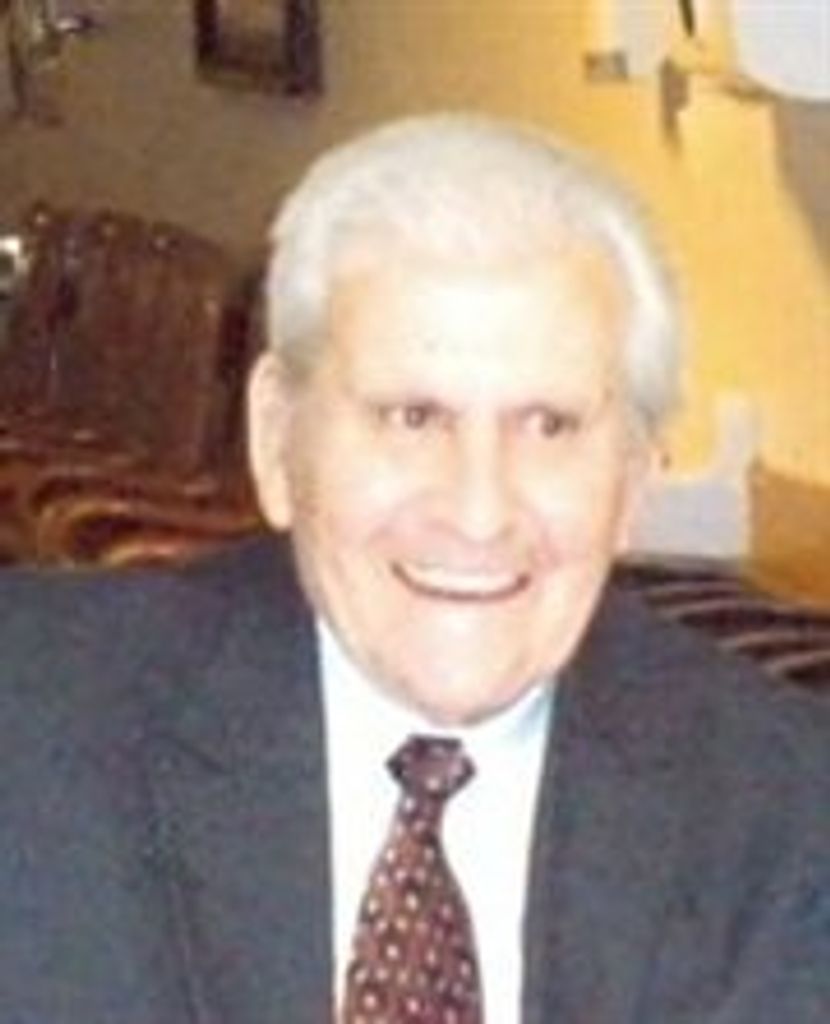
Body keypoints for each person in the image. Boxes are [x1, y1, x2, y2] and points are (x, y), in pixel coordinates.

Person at [0, 114, 827, 1024]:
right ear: (276, 439)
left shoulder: (788, 818)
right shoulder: (32, 727)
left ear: (635, 478)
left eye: (549, 427)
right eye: (412, 418)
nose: (478, 513)